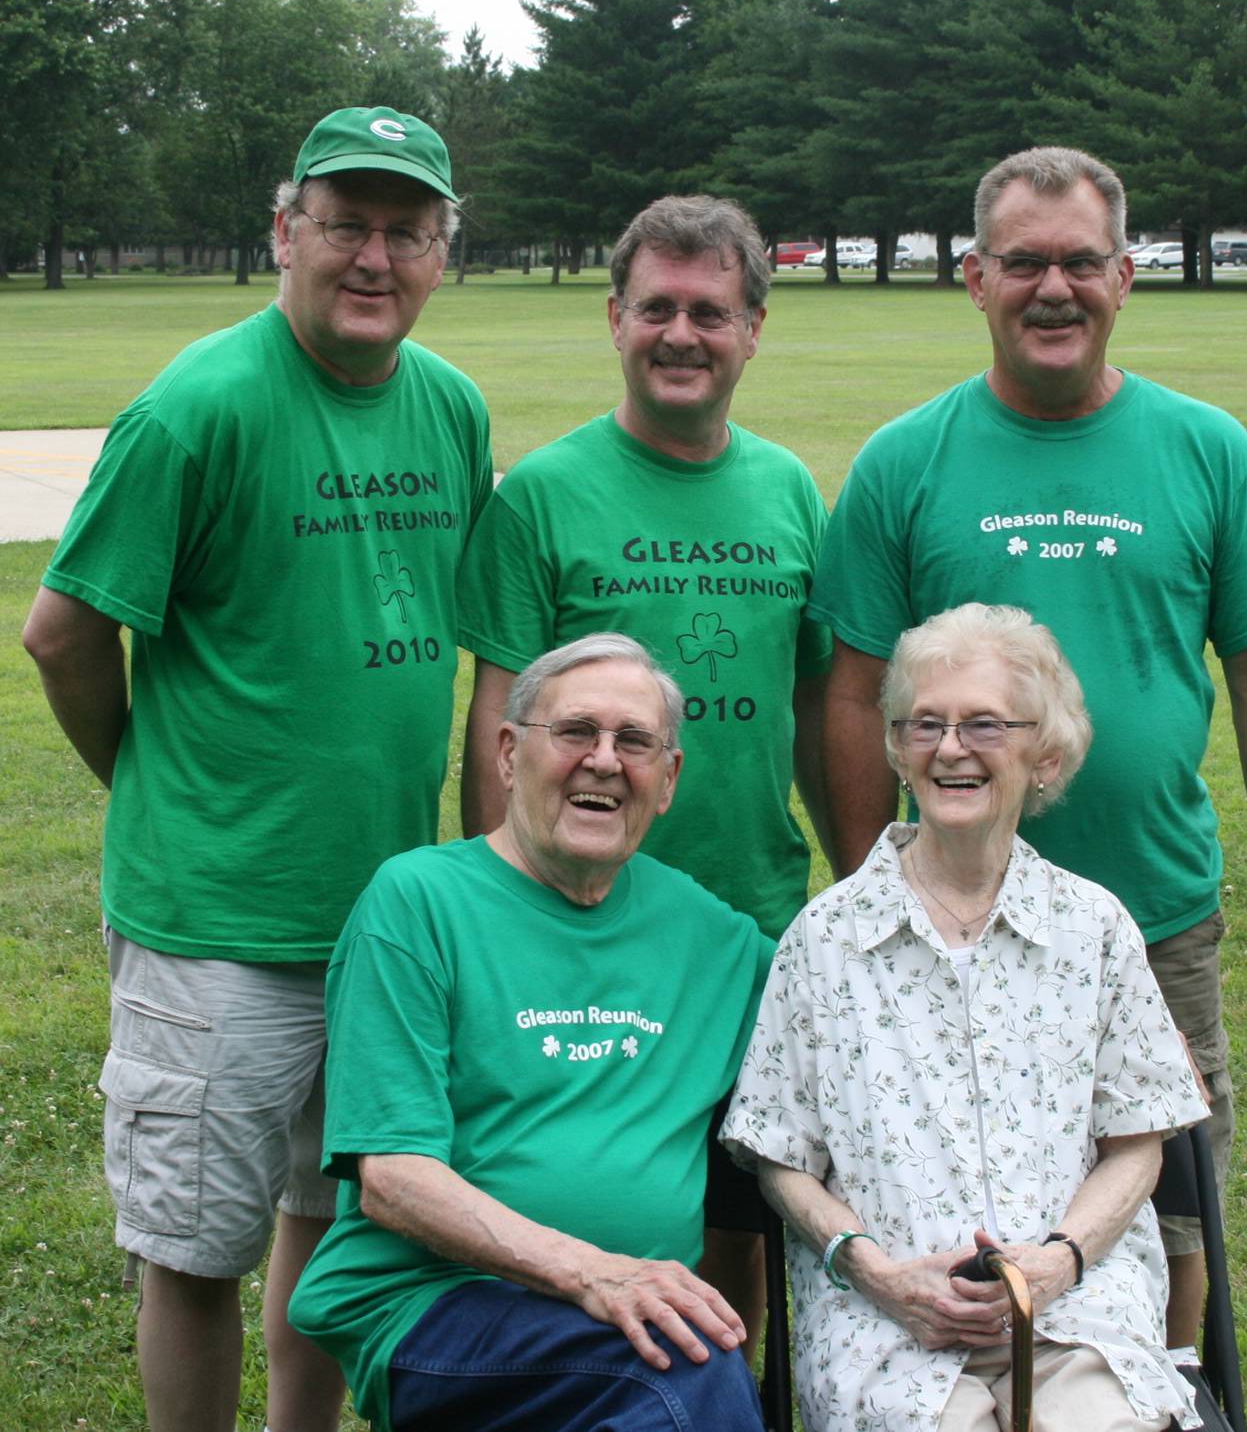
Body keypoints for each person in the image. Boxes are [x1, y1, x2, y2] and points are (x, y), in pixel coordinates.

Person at [810, 145, 1247, 1350]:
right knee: (948, 1188)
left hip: (1156, 915)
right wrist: (860, 880)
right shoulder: (905, 461)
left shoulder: (1208, 450)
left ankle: (1169, 1379)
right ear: (973, 278)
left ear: (1126, 275)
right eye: (1025, 262)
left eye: (1081, 261)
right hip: (945, 926)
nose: (1055, 287)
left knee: (1174, 1196)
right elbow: (848, 695)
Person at [22, 107, 492, 1432]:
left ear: (442, 253)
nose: (374, 257)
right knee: (193, 1248)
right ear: (288, 230)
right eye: (346, 224)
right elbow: (63, 628)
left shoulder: (449, 406)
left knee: (328, 1216)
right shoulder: (197, 406)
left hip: (385, 918)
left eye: (406, 231)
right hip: (217, 925)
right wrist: (155, 779)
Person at [463, 193, 832, 1338]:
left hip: (752, 920)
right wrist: (500, 912)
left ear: (755, 329)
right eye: (658, 307)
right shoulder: (543, 494)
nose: (684, 334)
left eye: (712, 312)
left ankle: (720, 1385)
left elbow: (817, 711)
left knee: (744, 1202)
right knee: (575, 1181)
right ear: (615, 317)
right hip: (580, 927)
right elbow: (497, 730)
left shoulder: (788, 492)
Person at [723, 603, 1211, 1431]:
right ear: (897, 748)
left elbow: (1139, 1143)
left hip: (1077, 1306)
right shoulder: (827, 939)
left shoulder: (1092, 928)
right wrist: (877, 1274)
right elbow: (781, 1158)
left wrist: (1059, 1262)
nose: (950, 749)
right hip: (886, 1320)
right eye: (925, 725)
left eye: (984, 724)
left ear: (1045, 754)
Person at [289, 633, 771, 1432]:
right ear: (509, 754)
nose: (605, 761)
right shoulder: (418, 904)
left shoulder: (711, 937)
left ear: (669, 780)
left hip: (629, 1326)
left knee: (677, 1375)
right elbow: (393, 1175)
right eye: (577, 732)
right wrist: (593, 1274)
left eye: (636, 742)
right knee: (684, 1377)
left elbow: (856, 1016)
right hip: (431, 1306)